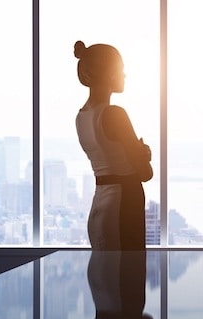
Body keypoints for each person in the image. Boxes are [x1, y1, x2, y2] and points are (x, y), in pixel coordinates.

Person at [74, 40, 153, 250]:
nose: (125, 75)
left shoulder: (81, 117)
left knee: (105, 275)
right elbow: (145, 173)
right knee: (128, 276)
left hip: (100, 202)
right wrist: (144, 156)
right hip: (125, 203)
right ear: (110, 74)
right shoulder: (115, 114)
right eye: (122, 69)